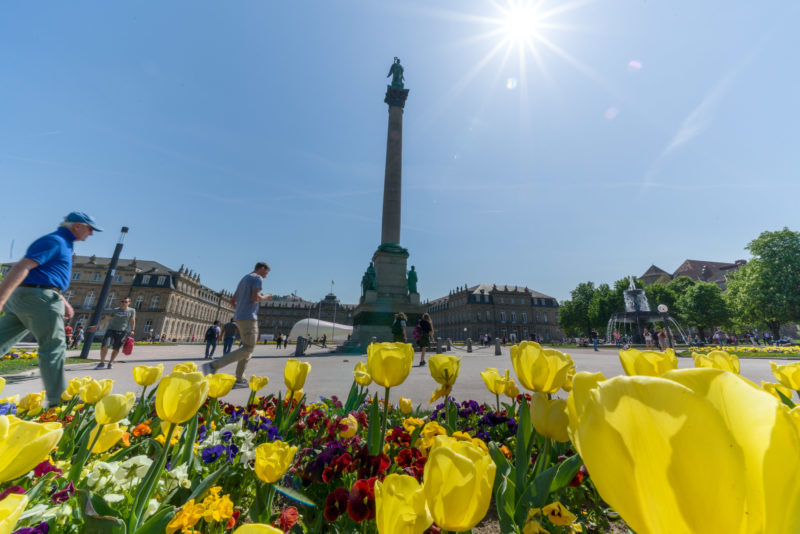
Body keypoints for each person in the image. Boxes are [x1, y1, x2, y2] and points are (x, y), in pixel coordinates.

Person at [0, 211, 101, 406]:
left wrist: (63, 301)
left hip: (30, 296)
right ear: (77, 225)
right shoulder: (55, 241)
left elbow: (43, 275)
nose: (91, 233)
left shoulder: (64, 243)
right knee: (53, 347)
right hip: (39, 299)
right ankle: (58, 402)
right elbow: (21, 268)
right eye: (89, 228)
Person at [204, 262, 273, 385]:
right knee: (249, 348)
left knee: (246, 349)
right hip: (249, 318)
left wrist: (241, 309)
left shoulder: (244, 279)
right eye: (266, 273)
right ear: (262, 269)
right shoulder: (258, 278)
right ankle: (213, 365)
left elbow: (232, 301)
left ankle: (239, 378)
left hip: (239, 318)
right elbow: (255, 298)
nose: (266, 276)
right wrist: (266, 297)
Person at [88, 296, 136, 369]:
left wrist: (132, 330)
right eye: (122, 301)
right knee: (104, 345)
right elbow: (107, 319)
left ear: (129, 303)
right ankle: (101, 363)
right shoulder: (115, 310)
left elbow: (132, 320)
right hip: (111, 330)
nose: (123, 303)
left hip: (122, 332)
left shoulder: (132, 310)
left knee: (116, 348)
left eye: (125, 302)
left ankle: (110, 363)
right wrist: (96, 326)